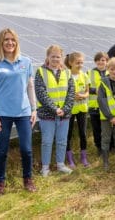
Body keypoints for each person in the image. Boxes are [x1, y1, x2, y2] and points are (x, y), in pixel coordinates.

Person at [0, 28, 37, 198]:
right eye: (6, 40)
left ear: (17, 42)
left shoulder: (26, 61)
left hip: (23, 112)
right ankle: (0, 182)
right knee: (2, 150)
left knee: (26, 149)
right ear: (1, 43)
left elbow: (30, 87)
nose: (10, 43)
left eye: (13, 40)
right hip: (2, 114)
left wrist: (34, 109)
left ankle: (27, 178)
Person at [35, 45, 75, 177]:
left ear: (62, 58)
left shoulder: (67, 72)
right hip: (47, 114)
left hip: (64, 114)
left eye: (58, 56)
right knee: (47, 141)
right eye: (52, 56)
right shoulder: (41, 71)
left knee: (62, 140)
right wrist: (54, 108)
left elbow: (71, 92)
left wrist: (65, 109)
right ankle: (45, 168)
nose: (55, 59)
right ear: (47, 57)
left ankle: (60, 164)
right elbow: (41, 93)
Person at [65, 52, 91, 168]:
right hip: (70, 110)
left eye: (81, 62)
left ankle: (83, 157)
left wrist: (84, 96)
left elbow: (87, 91)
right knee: (68, 134)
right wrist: (72, 96)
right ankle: (70, 159)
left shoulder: (84, 75)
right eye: (77, 63)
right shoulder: (65, 75)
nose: (80, 65)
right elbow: (63, 91)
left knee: (83, 133)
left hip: (82, 109)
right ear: (71, 63)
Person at [88, 52, 109, 156]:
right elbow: (85, 88)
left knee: (107, 129)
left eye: (103, 60)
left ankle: (109, 147)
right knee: (96, 129)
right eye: (98, 60)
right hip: (94, 106)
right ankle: (99, 148)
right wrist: (95, 90)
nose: (101, 62)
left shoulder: (110, 72)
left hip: (108, 106)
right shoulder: (89, 73)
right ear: (95, 61)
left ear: (106, 62)